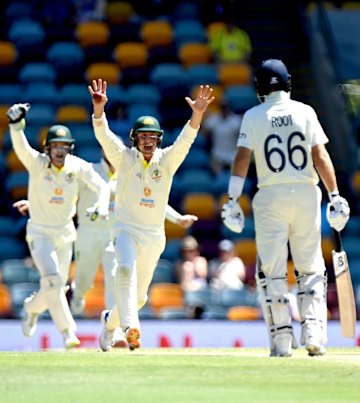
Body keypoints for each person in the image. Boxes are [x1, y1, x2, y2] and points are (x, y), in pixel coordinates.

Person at [221, 59, 350, 357]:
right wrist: (335, 195)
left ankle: (281, 341)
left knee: (272, 272)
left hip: (270, 197)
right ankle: (314, 333)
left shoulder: (253, 115)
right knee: (311, 267)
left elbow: (242, 158)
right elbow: (320, 155)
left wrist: (232, 199)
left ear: (261, 87)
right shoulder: (305, 112)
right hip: (306, 193)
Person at [88, 78, 214, 351]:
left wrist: (198, 113)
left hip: (154, 237)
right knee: (124, 268)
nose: (148, 142)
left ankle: (110, 321)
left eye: (152, 137)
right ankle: (130, 328)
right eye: (143, 137)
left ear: (158, 140)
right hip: (125, 230)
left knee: (140, 297)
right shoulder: (124, 158)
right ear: (135, 139)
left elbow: (186, 140)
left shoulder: (167, 161)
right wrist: (99, 110)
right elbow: (104, 135)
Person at [5, 107, 110, 349]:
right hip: (40, 233)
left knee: (56, 286)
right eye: (55, 146)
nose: (60, 151)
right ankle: (68, 333)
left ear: (69, 148)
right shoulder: (38, 164)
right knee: (52, 280)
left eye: (64, 146)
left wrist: (102, 205)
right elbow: (20, 146)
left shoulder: (77, 167)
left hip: (65, 234)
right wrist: (16, 123)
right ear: (48, 148)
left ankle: (31, 309)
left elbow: (102, 187)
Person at [70, 148, 199, 316]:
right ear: (103, 151)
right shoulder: (91, 170)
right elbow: (68, 190)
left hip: (114, 232)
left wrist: (177, 218)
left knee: (116, 276)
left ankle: (112, 322)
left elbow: (152, 201)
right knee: (84, 278)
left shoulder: (130, 174)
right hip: (89, 231)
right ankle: (78, 294)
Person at [201, 98, 242, 176]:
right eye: (222, 107)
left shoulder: (236, 120)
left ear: (229, 108)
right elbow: (204, 130)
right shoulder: (214, 118)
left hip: (233, 154)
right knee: (216, 174)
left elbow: (243, 136)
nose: (224, 109)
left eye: (226, 107)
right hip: (217, 154)